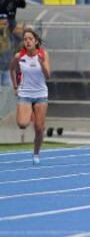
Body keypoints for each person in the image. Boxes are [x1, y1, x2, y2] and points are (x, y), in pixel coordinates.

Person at [9, 28, 51, 165]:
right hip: (25, 93)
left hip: (40, 94)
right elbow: (12, 69)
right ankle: (30, 112)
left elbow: (48, 75)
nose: (27, 41)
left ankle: (36, 153)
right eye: (25, 39)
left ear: (36, 41)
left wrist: (41, 62)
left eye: (30, 39)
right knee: (22, 124)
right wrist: (15, 86)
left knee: (39, 128)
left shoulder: (43, 54)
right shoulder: (19, 56)